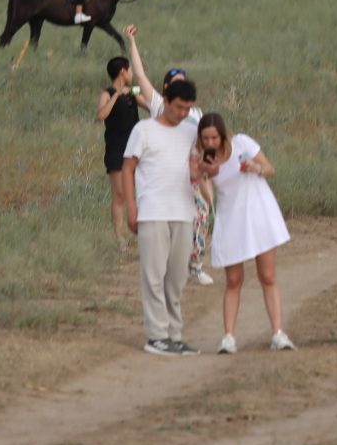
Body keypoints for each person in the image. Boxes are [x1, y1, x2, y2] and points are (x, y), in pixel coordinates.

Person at [195, 113, 293, 354]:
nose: (210, 143)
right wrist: (206, 174)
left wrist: (255, 167)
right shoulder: (201, 160)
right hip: (231, 218)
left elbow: (270, 169)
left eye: (214, 137)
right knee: (233, 280)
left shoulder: (242, 143)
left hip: (259, 213)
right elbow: (209, 198)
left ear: (222, 135)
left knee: (267, 276)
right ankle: (228, 337)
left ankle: (278, 333)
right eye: (205, 138)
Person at [124, 76, 203, 356]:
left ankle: (174, 334)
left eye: (187, 109)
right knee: (153, 274)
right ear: (166, 101)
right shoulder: (143, 129)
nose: (182, 113)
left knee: (177, 277)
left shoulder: (190, 133)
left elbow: (198, 168)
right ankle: (156, 335)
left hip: (183, 211)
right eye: (178, 107)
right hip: (152, 210)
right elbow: (127, 168)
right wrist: (131, 207)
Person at [98, 25, 148, 248]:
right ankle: (119, 236)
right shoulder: (108, 94)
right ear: (122, 72)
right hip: (117, 150)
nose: (130, 75)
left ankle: (140, 231)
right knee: (119, 194)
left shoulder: (133, 92)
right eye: (128, 71)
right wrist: (117, 94)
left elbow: (150, 106)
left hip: (137, 149)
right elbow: (101, 115)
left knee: (140, 191)